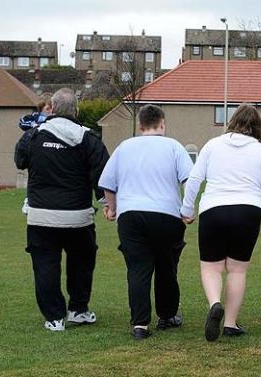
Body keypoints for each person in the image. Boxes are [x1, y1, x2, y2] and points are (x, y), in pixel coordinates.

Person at [181, 104, 261, 342]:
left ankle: (215, 303)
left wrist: (186, 208)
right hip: (248, 210)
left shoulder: (213, 145)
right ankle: (231, 323)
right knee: (237, 269)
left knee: (211, 267)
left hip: (213, 208)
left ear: (232, 121)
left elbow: (194, 179)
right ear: (258, 126)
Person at [14, 88, 109, 332]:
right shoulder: (88, 138)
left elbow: (19, 160)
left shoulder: (33, 136)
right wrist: (108, 204)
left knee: (45, 265)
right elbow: (102, 175)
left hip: (40, 215)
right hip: (78, 217)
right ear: (76, 111)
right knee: (81, 263)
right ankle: (78, 309)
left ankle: (54, 317)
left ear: (52, 109)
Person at [98, 105, 193, 340]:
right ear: (162, 124)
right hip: (166, 214)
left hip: (131, 214)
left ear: (140, 126)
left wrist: (112, 207)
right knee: (166, 266)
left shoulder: (125, 147)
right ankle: (167, 315)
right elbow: (189, 180)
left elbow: (108, 183)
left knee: (138, 268)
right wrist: (188, 209)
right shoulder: (173, 146)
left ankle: (140, 324)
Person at [18, 92, 53, 214]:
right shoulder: (35, 118)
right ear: (41, 109)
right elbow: (22, 123)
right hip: (35, 149)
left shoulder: (55, 120)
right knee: (34, 175)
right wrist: (36, 125)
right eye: (48, 108)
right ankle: (29, 199)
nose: (50, 112)